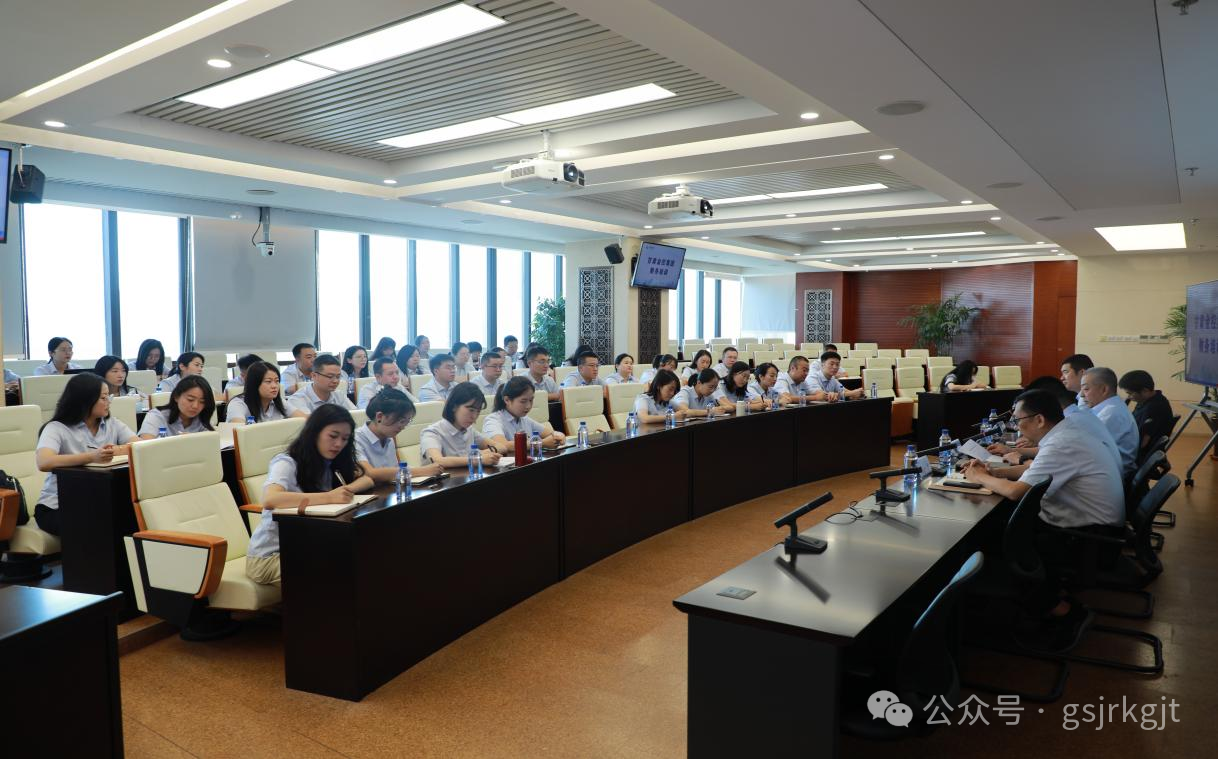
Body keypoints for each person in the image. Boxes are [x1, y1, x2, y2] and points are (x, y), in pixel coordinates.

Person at [959, 389, 1125, 650]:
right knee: (999, 529)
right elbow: (1033, 471)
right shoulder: (1066, 433)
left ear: (1039, 420)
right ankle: (1048, 598)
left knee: (997, 544)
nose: (1016, 425)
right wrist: (994, 472)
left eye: (1018, 419)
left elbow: (1016, 492)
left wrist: (980, 477)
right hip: (1089, 528)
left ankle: (1066, 613)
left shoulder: (1062, 443)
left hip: (1089, 538)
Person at [245, 406, 376, 585]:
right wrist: (329, 497)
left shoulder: (330, 461)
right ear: (315, 432)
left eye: (345, 439)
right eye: (333, 436)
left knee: (367, 558)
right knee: (341, 573)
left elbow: (367, 479)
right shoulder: (287, 462)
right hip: (270, 557)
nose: (339, 444)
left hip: (309, 546)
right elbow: (270, 499)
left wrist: (346, 490)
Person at [34, 373, 137, 535]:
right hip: (57, 506)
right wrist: (91, 457)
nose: (108, 402)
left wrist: (114, 451)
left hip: (98, 500)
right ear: (85, 400)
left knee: (132, 516)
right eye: (103, 398)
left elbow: (139, 446)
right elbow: (44, 462)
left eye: (108, 397)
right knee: (99, 524)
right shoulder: (56, 428)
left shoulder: (112, 424)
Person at [354, 389, 441, 481]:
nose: (403, 427)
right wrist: (424, 470)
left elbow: (395, 472)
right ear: (380, 416)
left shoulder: (389, 439)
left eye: (407, 422)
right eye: (401, 421)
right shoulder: (355, 439)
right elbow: (369, 473)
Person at [420, 382, 504, 467]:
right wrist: (478, 459)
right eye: (471, 410)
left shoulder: (469, 430)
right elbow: (436, 461)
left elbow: (501, 447)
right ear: (454, 406)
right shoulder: (432, 432)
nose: (474, 417)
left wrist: (480, 453)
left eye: (478, 411)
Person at [1080, 367, 1139, 477]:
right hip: (1111, 469)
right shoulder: (1112, 406)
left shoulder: (1110, 414)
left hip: (1113, 475)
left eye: (1086, 389)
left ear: (1104, 389)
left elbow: (1081, 446)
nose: (1082, 395)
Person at [482, 376, 566, 451]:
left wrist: (559, 436)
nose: (528, 406)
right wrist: (541, 443)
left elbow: (551, 433)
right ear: (507, 400)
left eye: (531, 400)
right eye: (523, 401)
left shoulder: (524, 418)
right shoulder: (493, 420)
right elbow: (502, 445)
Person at [1118, 370, 1175, 457]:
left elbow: (1143, 443)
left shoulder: (1154, 408)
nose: (1128, 397)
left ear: (1145, 391)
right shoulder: (1149, 399)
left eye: (1130, 393)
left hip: (1138, 454)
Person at [138, 375, 216, 438]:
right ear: (176, 397)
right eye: (190, 400)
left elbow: (211, 445)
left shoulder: (202, 418)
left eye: (202, 402)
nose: (195, 406)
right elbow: (145, 446)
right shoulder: (157, 416)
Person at [287, 354, 356, 417]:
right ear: (314, 376)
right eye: (330, 376)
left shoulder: (339, 395)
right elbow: (310, 424)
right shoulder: (298, 399)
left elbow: (355, 415)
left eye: (338, 376)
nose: (335, 381)